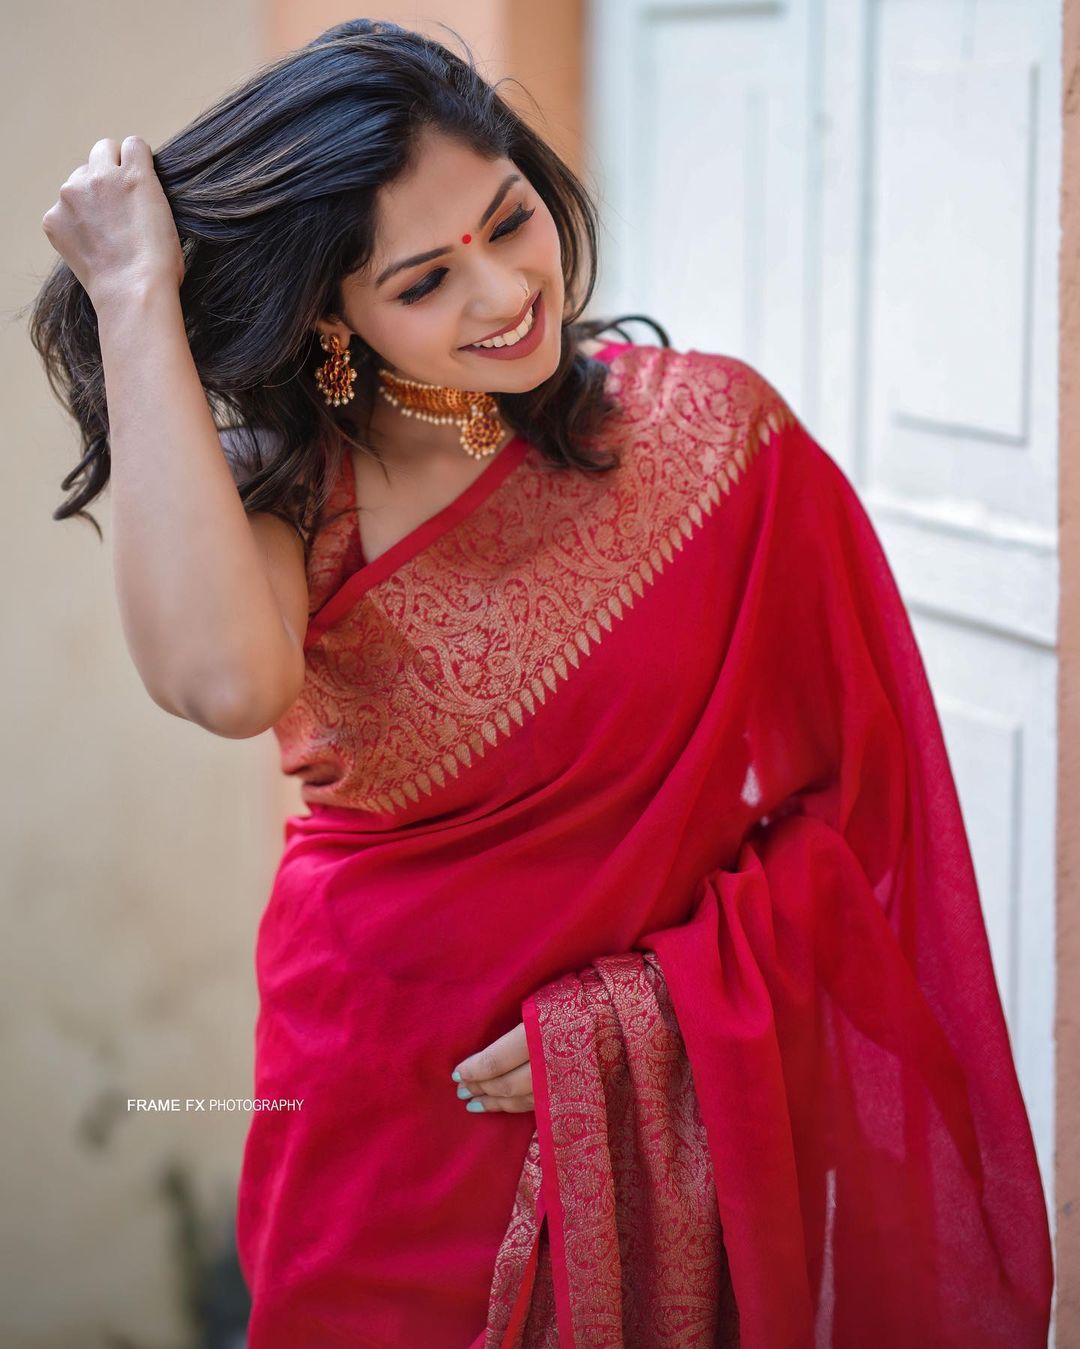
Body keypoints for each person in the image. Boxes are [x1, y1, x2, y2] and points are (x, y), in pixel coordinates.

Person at [32, 18, 1054, 1349]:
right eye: (423, 281)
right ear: (329, 316)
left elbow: (866, 816)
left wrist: (674, 1007)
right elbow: (223, 681)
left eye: (510, 221)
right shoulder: (293, 495)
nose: (505, 292)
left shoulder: (716, 443)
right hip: (393, 1119)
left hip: (673, 1123)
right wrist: (131, 297)